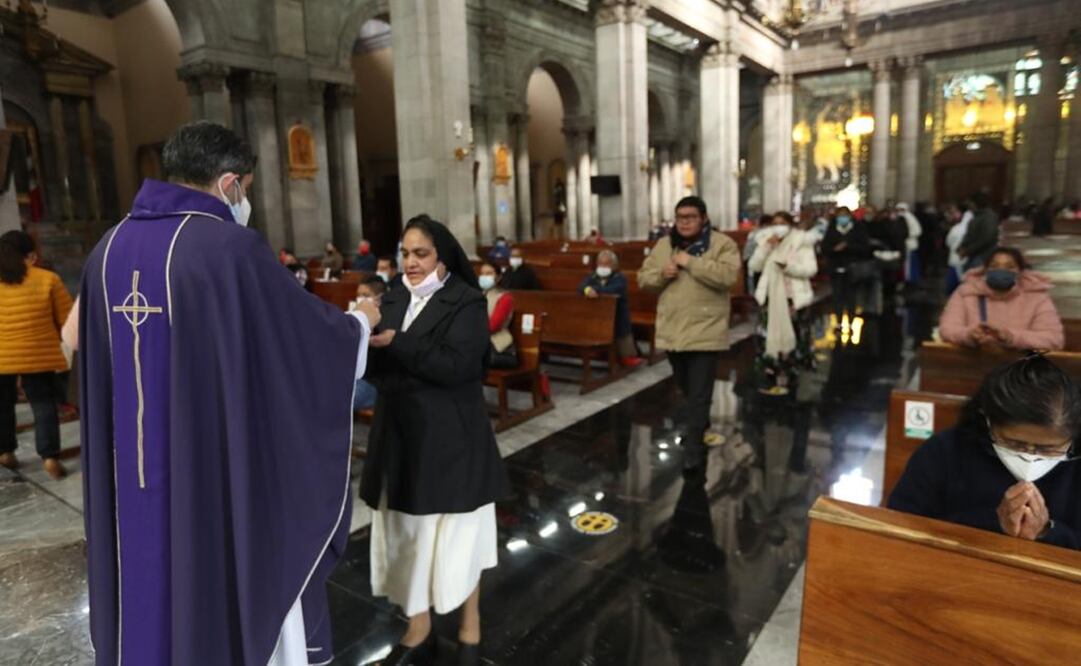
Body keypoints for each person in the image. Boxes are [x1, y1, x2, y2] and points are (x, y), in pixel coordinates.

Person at [78, 121, 380, 666]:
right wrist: (359, 324)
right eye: (246, 189)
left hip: (130, 470)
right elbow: (303, 341)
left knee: (145, 578)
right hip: (208, 467)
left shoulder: (107, 250)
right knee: (212, 565)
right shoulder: (228, 249)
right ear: (229, 183)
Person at [362, 215, 510, 665]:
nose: (410, 262)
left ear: (442, 257)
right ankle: (419, 624)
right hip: (399, 435)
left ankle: (470, 622)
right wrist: (362, 336)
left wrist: (398, 345)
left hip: (451, 439)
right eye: (405, 253)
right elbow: (379, 368)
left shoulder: (465, 301)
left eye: (421, 253)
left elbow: (458, 366)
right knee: (408, 537)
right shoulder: (391, 298)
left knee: (458, 538)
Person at [889, 355, 1081, 550]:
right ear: (988, 421)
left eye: (1047, 449)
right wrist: (994, 522)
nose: (1029, 456)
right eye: (1014, 444)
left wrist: (1047, 531)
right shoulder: (945, 451)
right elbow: (901, 524)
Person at [638, 196, 740, 468]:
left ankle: (694, 447)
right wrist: (662, 274)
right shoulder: (664, 245)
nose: (684, 223)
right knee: (686, 386)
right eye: (680, 218)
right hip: (674, 329)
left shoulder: (722, 244)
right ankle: (699, 424)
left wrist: (690, 262)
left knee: (699, 392)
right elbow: (644, 279)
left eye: (690, 217)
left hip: (706, 329)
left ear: (703, 219)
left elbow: (728, 277)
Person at [0, 230, 73, 479]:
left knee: (2, 405)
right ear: (30, 255)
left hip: (2, 356)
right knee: (43, 406)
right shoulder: (48, 279)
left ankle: (5, 452)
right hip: (38, 355)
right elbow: (67, 321)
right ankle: (50, 458)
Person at [938, 247, 1064, 351]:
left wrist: (1011, 337)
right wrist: (969, 335)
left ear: (1021, 271)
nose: (1001, 270)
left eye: (1010, 267)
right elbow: (947, 329)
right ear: (985, 270)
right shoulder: (966, 293)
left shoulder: (1037, 297)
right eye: (994, 266)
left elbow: (1054, 339)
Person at [747, 212, 818, 393]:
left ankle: (791, 378)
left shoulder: (801, 242)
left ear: (790, 225)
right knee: (767, 336)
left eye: (782, 223)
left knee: (794, 336)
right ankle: (771, 374)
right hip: (770, 297)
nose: (778, 227)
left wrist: (789, 267)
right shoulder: (765, 240)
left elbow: (811, 269)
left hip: (793, 297)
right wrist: (766, 248)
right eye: (775, 223)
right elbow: (754, 266)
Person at [579, 250, 643, 368]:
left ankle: (627, 355)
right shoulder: (593, 276)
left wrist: (595, 290)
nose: (603, 267)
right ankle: (601, 351)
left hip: (618, 314)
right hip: (597, 313)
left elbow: (612, 290)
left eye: (606, 264)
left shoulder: (620, 278)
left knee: (621, 326)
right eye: (600, 264)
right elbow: (582, 286)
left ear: (614, 265)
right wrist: (587, 290)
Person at [822, 206, 873, 319]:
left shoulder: (858, 228)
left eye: (844, 215)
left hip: (852, 267)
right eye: (840, 215)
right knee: (837, 295)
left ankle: (851, 318)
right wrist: (834, 249)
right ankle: (838, 319)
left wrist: (848, 246)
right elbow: (824, 247)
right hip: (835, 267)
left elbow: (865, 247)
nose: (842, 218)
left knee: (851, 295)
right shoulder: (832, 228)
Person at [353, 276, 388, 411]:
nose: (361, 299)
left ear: (380, 298)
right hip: (354, 377)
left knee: (340, 398)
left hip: (373, 383)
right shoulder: (356, 318)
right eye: (359, 295)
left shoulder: (388, 320)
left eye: (366, 295)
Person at [479, 262, 517, 368]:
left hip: (497, 346)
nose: (484, 277)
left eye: (489, 273)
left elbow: (493, 326)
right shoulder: (478, 295)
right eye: (482, 274)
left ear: (498, 277)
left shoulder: (505, 298)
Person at [959, 191, 1000, 272]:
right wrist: (962, 246)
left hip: (984, 256)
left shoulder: (989, 217)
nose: (968, 205)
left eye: (969, 202)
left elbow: (986, 238)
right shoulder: (976, 216)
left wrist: (967, 250)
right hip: (974, 255)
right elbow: (969, 235)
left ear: (974, 203)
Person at [895, 202, 922, 284]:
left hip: (909, 244)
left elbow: (918, 231)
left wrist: (906, 235)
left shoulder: (908, 217)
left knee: (909, 265)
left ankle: (910, 280)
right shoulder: (902, 217)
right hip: (906, 244)